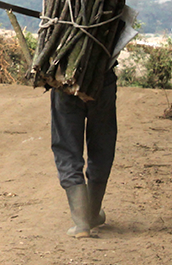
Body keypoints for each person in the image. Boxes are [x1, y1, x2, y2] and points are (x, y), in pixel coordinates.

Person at [50, 68, 117, 238]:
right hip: (103, 77)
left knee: (67, 146)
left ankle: (81, 223)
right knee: (102, 145)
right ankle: (92, 214)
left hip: (65, 78)